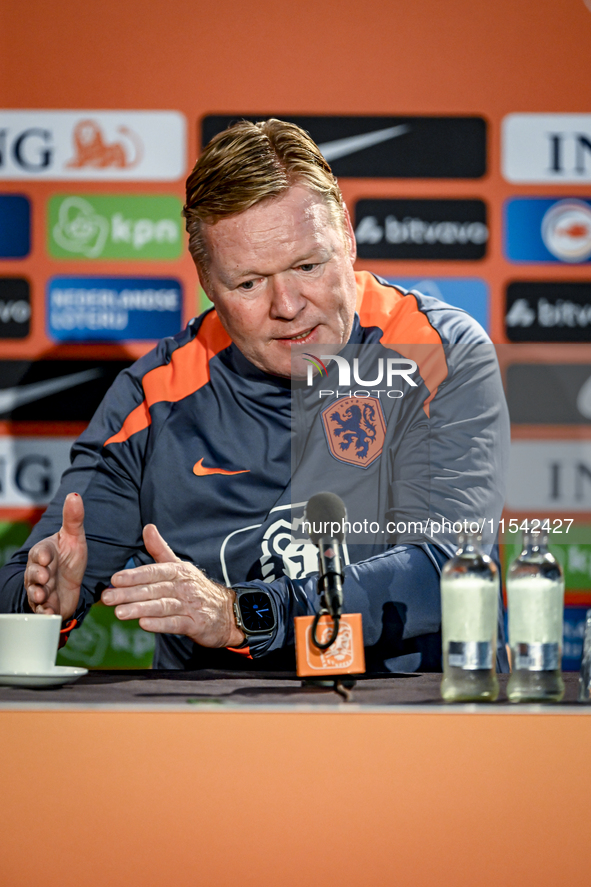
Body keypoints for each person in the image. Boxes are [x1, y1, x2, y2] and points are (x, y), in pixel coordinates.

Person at [0, 119, 510, 672]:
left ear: (349, 238)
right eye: (249, 283)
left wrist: (239, 614)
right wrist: (40, 602)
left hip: (410, 729)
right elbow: (34, 581)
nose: (288, 305)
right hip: (215, 736)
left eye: (308, 266)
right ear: (207, 283)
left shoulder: (435, 353)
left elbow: (453, 571)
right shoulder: (157, 396)